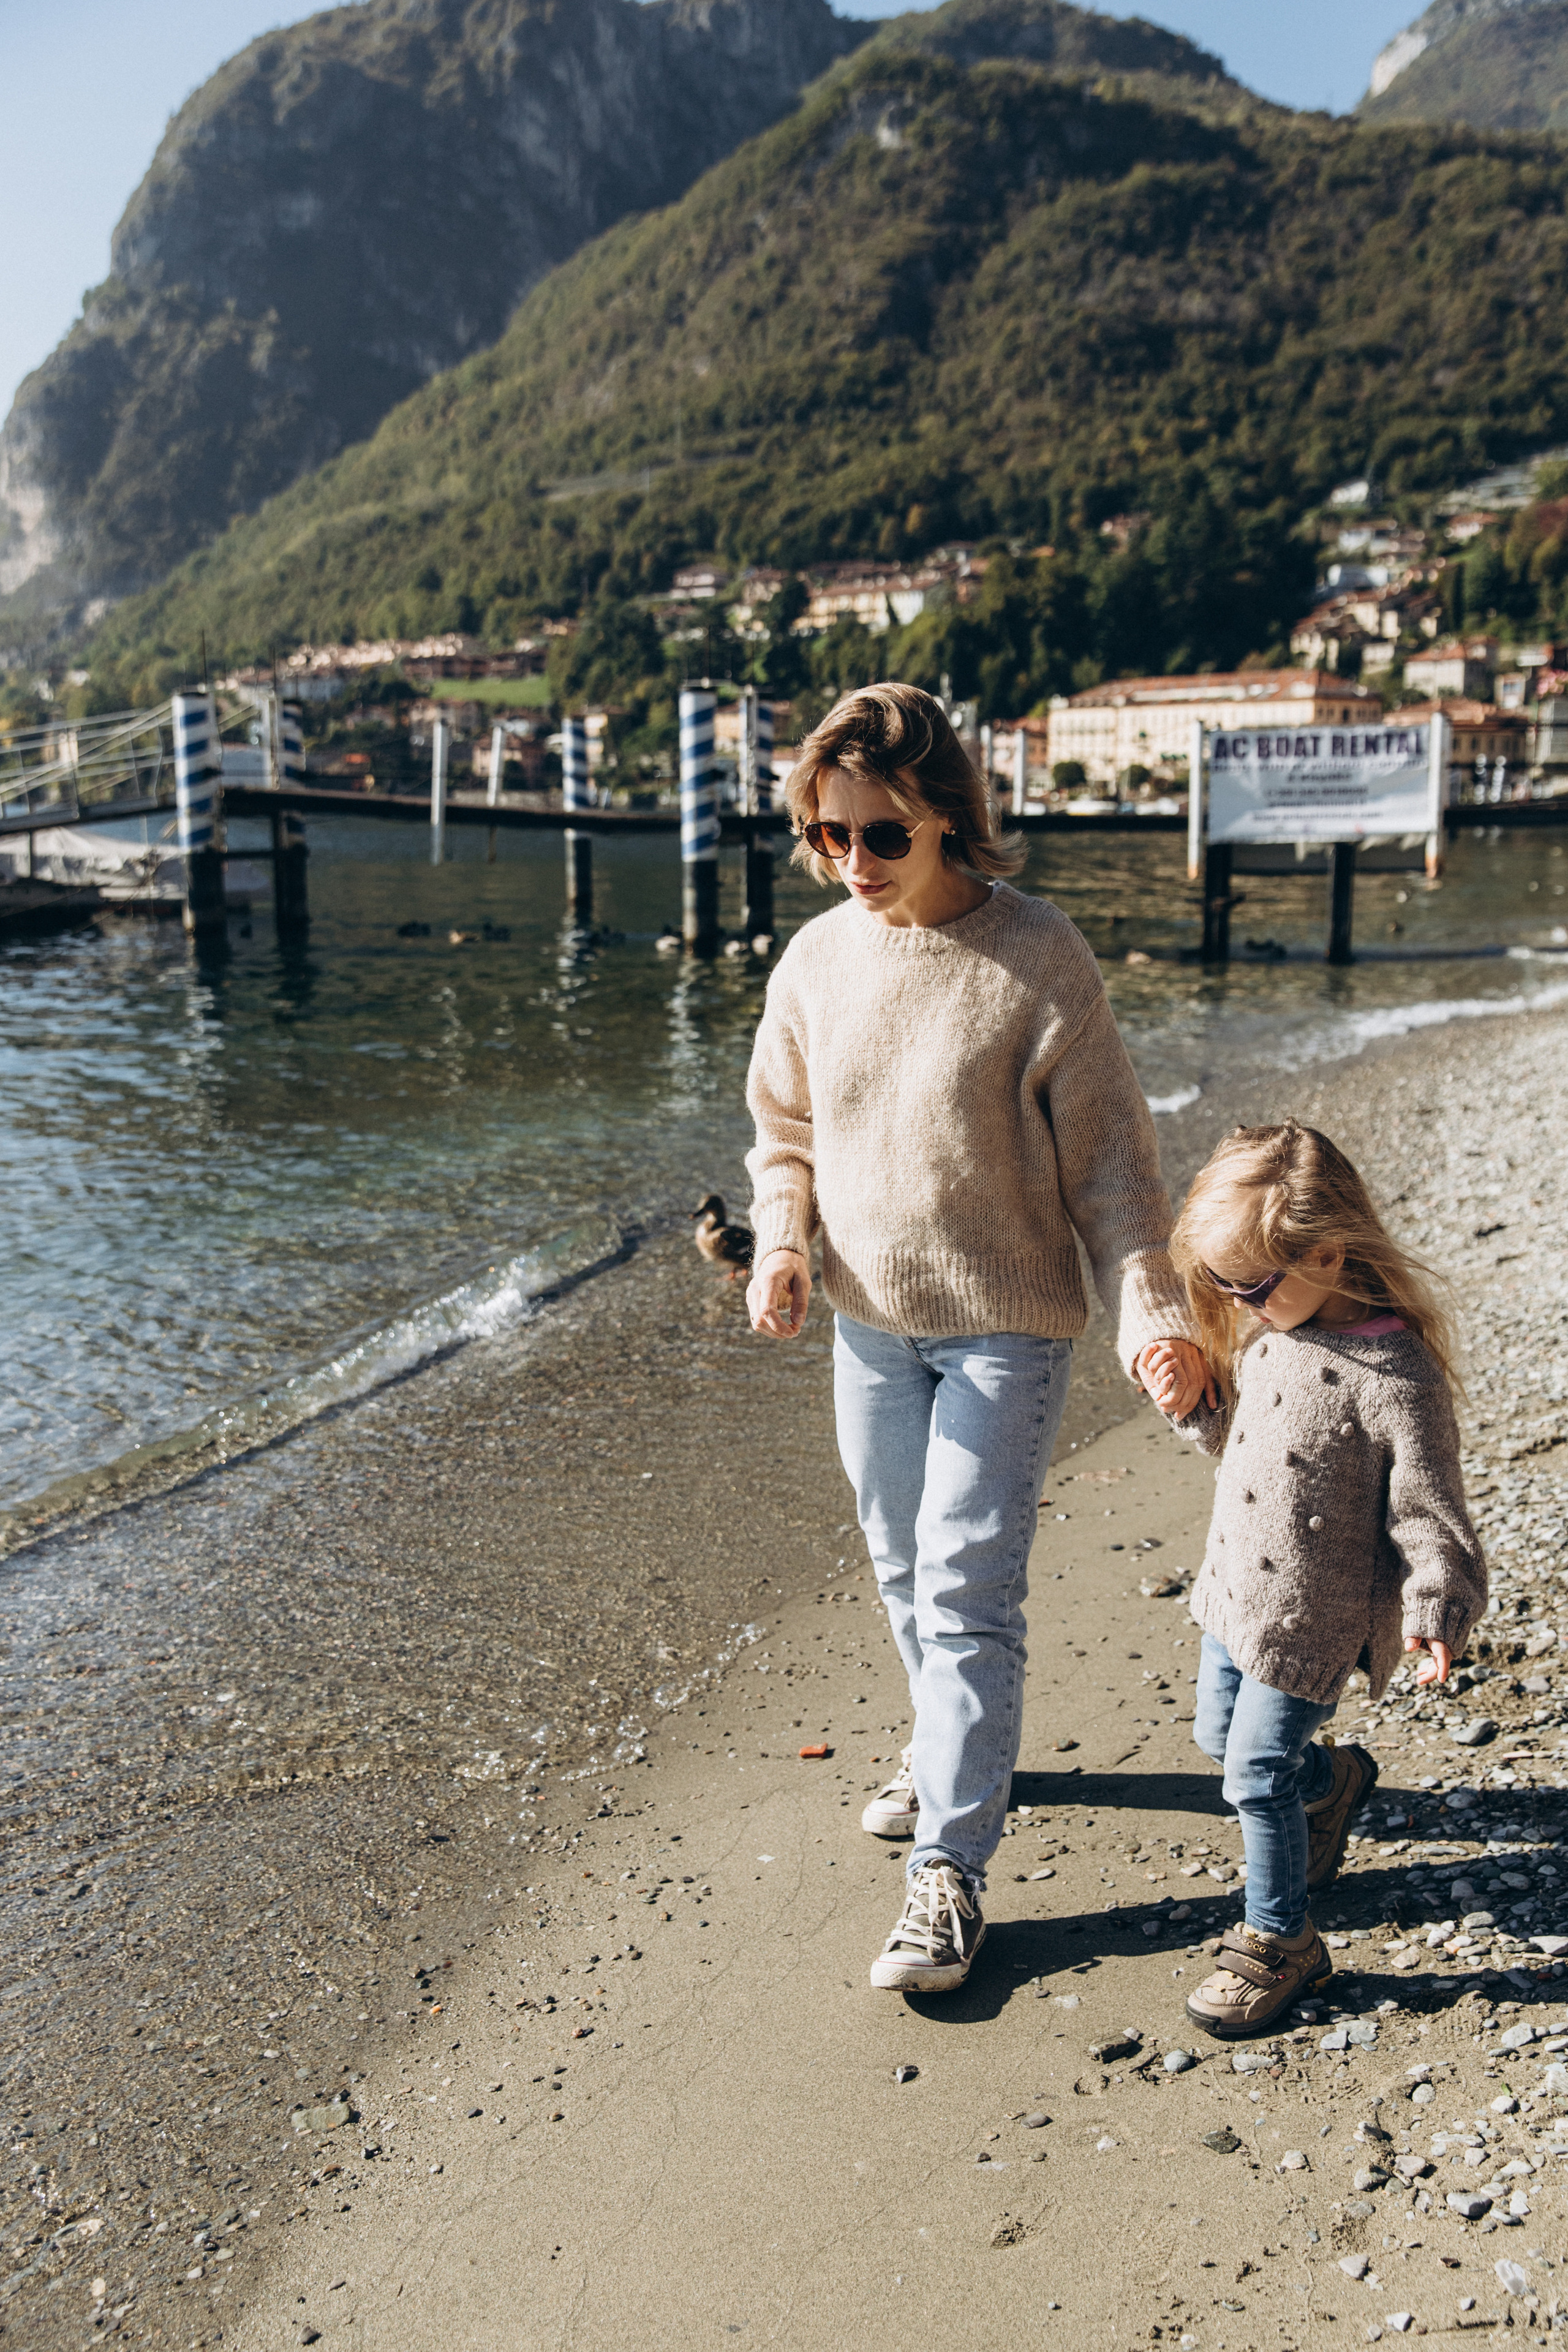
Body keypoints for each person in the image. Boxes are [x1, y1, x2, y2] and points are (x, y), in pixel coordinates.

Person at [743, 682, 1210, 1993]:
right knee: (901, 1568)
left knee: (963, 1589)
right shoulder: (816, 959)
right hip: (868, 1329)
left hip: (1005, 1334)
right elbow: (783, 1134)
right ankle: (950, 1746)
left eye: (880, 834)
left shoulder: (1038, 955)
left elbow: (1113, 1171)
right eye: (827, 835)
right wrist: (783, 1245)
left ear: (945, 814)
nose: (852, 861)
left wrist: (1153, 1317)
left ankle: (948, 1872)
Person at [1145, 1118, 1487, 2039]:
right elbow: (1246, 1452)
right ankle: (1330, 1787)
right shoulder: (1273, 1336)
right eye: (1222, 1284)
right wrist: (1192, 1403)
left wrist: (1437, 1606)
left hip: (1312, 1617)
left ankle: (1281, 1939)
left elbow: (1430, 1514)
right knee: (1218, 1737)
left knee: (1254, 1777)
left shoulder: (1396, 1374)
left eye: (1252, 1284)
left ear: (1328, 1253)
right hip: (1234, 1594)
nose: (1240, 1303)